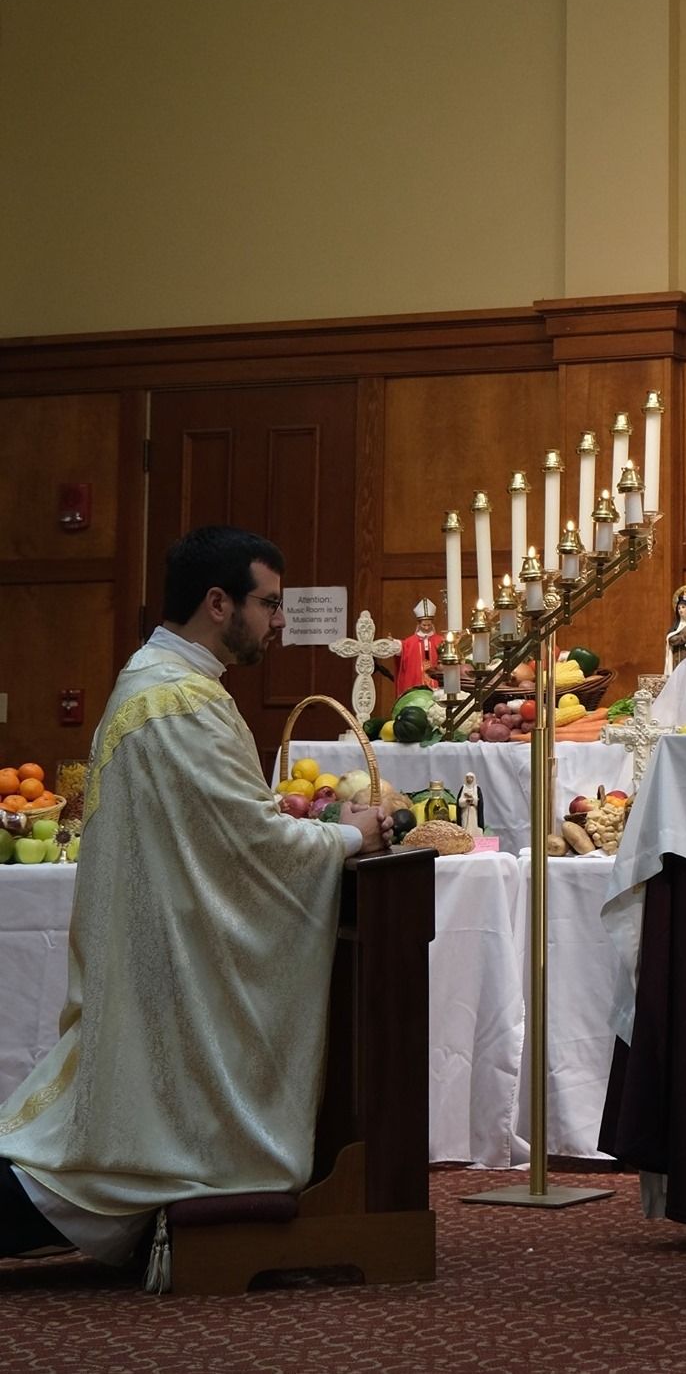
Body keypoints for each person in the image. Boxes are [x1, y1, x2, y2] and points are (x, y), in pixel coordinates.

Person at [0, 526, 391, 1269]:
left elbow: (225, 836)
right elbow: (252, 848)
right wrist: (349, 837)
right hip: (169, 988)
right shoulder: (178, 702)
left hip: (158, 966)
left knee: (79, 1160)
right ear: (219, 603)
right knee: (91, 1170)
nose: (280, 620)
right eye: (269, 603)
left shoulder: (161, 685)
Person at [394, 595, 441, 697]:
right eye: (424, 625)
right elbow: (402, 649)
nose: (427, 627)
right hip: (416, 682)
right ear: (419, 623)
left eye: (429, 624)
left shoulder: (440, 640)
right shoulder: (410, 642)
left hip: (436, 684)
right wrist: (395, 644)